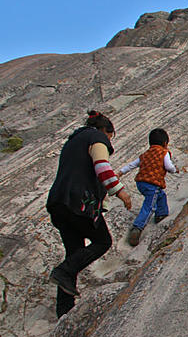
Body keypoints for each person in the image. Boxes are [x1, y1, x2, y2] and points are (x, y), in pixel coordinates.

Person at [47, 110, 132, 318]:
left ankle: (63, 312)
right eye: (111, 137)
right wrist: (120, 192)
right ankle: (63, 273)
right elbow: (102, 167)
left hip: (59, 203)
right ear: (106, 131)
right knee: (102, 241)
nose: (109, 142)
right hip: (78, 203)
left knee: (74, 254)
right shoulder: (97, 137)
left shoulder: (73, 141)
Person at [117, 128, 179, 246]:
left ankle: (162, 214)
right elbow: (169, 166)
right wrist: (175, 170)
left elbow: (132, 165)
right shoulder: (164, 153)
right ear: (165, 143)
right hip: (152, 184)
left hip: (141, 183)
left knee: (160, 195)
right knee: (149, 206)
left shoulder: (145, 154)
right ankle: (137, 228)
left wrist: (120, 172)